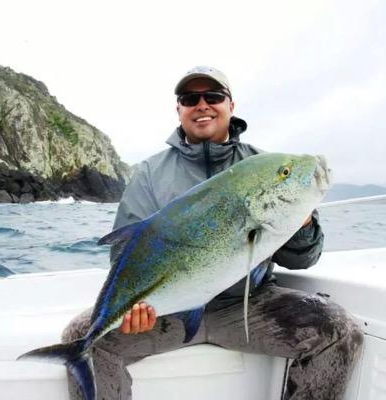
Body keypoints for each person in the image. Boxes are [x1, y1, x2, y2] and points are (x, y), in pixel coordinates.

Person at [62, 66, 363, 400]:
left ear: (230, 105)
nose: (202, 104)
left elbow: (302, 259)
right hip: (169, 312)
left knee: (339, 331)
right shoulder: (149, 173)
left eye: (213, 96)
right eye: (190, 98)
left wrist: (304, 223)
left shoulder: (262, 165)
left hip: (247, 306)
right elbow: (127, 253)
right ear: (179, 110)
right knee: (83, 336)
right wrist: (136, 307)